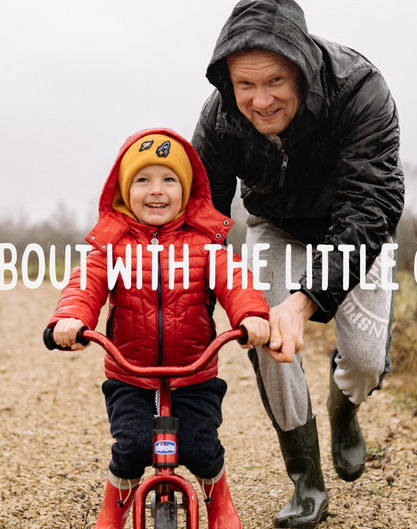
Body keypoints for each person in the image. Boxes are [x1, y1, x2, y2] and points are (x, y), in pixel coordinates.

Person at [192, 0, 405, 527]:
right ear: (228, 81)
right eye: (245, 85)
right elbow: (204, 218)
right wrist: (201, 304)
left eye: (275, 82)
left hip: (353, 226)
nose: (260, 102)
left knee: (365, 360)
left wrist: (306, 299)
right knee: (267, 337)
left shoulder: (360, 89)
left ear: (302, 68)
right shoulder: (219, 117)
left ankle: (344, 410)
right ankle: (307, 481)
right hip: (275, 226)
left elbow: (373, 201)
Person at [47, 128, 271, 529]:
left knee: (203, 447)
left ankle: (218, 502)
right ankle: (112, 512)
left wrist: (251, 315)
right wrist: (72, 320)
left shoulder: (205, 246)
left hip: (194, 375)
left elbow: (234, 279)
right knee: (131, 447)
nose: (157, 190)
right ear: (123, 190)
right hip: (130, 375)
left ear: (186, 191)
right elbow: (87, 283)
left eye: (169, 180)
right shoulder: (111, 247)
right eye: (143, 180)